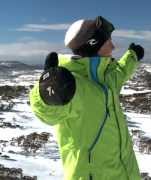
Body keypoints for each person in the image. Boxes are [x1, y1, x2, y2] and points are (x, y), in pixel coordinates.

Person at [29, 16, 144, 180]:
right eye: (107, 41)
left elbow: (121, 72)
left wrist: (132, 56)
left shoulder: (105, 77)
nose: (113, 46)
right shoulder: (72, 85)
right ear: (93, 45)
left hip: (126, 172)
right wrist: (46, 93)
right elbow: (48, 113)